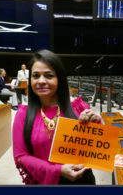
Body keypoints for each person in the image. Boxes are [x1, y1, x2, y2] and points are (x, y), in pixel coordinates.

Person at [12, 50, 101, 185]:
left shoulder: (78, 107)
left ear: (59, 78)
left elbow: (98, 147)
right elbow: (21, 157)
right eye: (36, 76)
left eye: (49, 75)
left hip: (82, 181)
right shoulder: (23, 115)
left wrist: (95, 123)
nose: (41, 81)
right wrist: (57, 170)